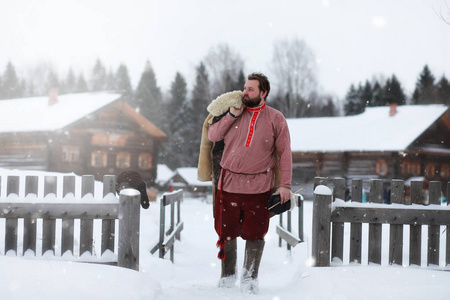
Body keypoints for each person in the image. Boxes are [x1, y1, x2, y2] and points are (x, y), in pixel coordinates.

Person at [207, 72, 292, 293]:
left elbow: (285, 154)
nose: (245, 92)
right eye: (245, 88)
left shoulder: (276, 118)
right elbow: (213, 136)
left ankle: (250, 278)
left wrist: (285, 185)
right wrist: (231, 116)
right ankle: (227, 277)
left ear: (264, 93)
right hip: (228, 184)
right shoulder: (233, 113)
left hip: (259, 186)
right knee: (227, 231)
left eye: (251, 89)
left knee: (255, 233)